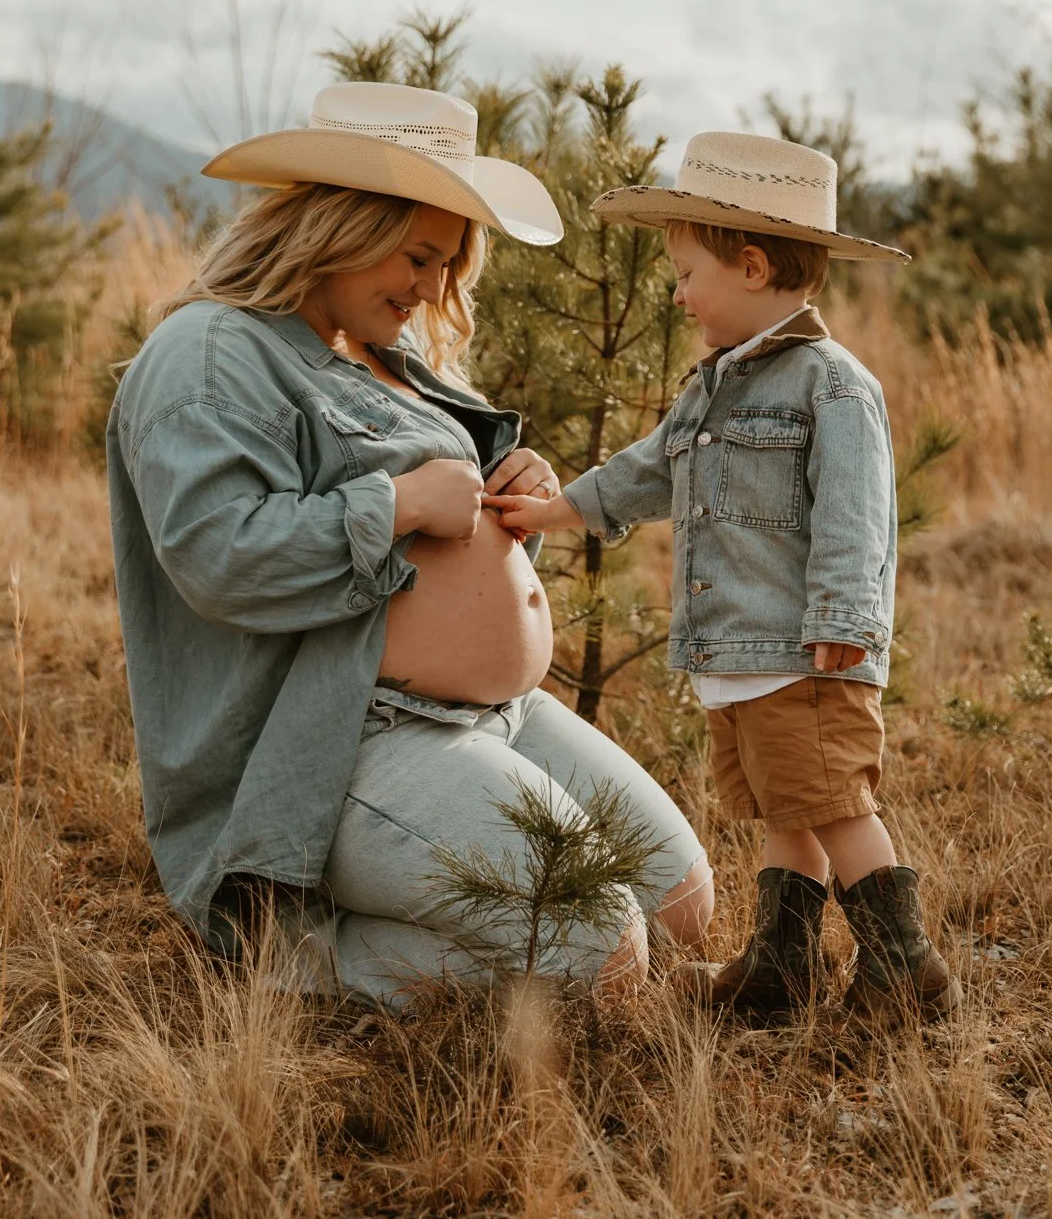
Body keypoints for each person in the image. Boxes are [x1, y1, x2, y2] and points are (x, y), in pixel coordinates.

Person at [107, 82, 713, 1006]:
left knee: (681, 903)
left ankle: (462, 926)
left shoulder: (376, 349)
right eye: (420, 255)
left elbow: (445, 543)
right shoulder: (210, 353)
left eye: (447, 263)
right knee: (601, 944)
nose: (433, 289)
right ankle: (288, 959)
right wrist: (392, 502)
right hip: (343, 736)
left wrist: (519, 498)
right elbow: (218, 555)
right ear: (338, 225)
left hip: (493, 715)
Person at [487, 128, 959, 1023]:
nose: (676, 294)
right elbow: (648, 470)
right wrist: (559, 510)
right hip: (737, 646)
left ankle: (906, 967)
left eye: (685, 273)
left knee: (833, 804)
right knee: (787, 811)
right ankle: (781, 964)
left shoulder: (832, 385)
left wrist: (842, 620)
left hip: (803, 647)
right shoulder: (711, 386)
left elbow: (856, 515)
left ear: (749, 267)